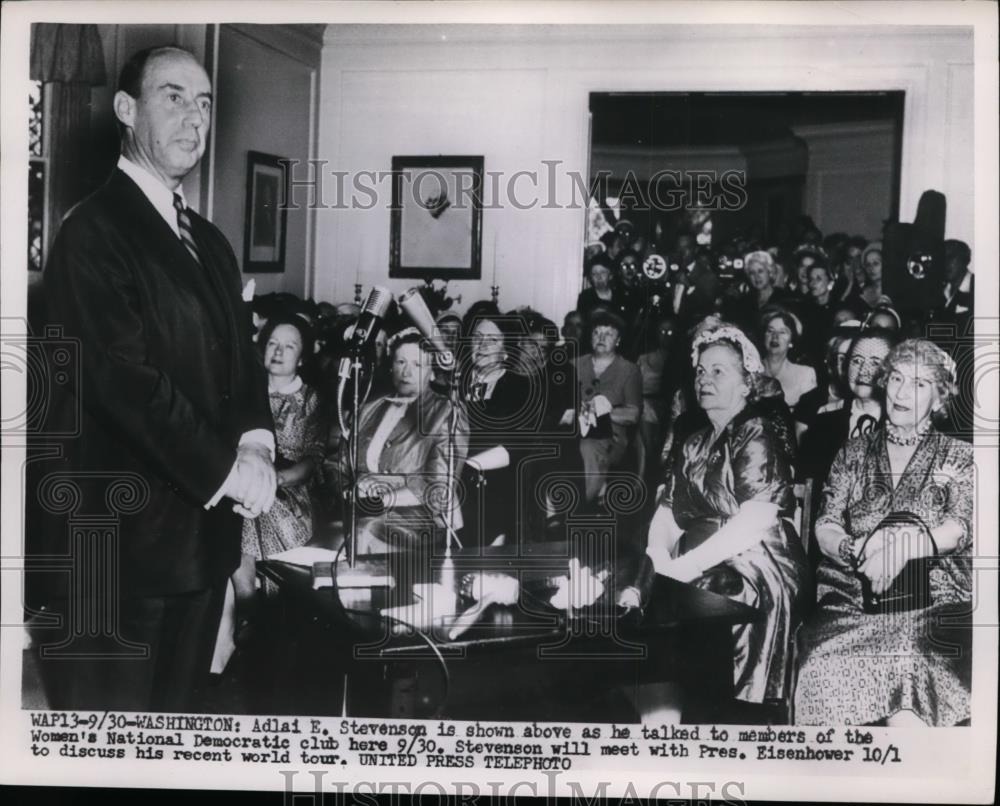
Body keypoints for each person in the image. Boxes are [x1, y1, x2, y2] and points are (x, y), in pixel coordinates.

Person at [33, 46, 275, 712]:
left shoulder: (209, 241)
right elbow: (126, 386)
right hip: (117, 562)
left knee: (171, 745)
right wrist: (231, 471)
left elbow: (242, 362)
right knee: (106, 759)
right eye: (173, 96)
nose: (194, 118)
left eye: (203, 103)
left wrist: (255, 440)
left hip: (199, 554)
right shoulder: (92, 234)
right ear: (124, 108)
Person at [621, 326, 807, 704]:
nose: (704, 378)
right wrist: (659, 554)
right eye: (700, 371)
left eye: (718, 371)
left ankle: (714, 709)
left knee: (698, 601)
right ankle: (663, 713)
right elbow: (670, 511)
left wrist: (683, 568)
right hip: (700, 558)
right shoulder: (693, 441)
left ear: (746, 384)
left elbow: (754, 521)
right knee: (629, 584)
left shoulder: (756, 431)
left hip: (757, 561)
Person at [795, 339, 973, 726]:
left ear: (940, 398)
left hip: (935, 601)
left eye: (919, 384)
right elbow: (825, 524)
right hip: (852, 598)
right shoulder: (854, 452)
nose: (902, 392)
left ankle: (910, 778)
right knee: (816, 660)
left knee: (905, 658)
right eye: (895, 378)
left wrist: (904, 546)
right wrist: (854, 549)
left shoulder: (960, 455)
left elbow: (959, 528)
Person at [342, 329, 469, 552]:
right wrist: (350, 489)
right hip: (360, 507)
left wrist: (382, 498)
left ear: (432, 373)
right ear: (391, 366)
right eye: (400, 362)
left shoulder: (446, 410)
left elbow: (439, 484)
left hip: (419, 516)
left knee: (364, 532)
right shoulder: (371, 406)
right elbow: (340, 463)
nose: (406, 372)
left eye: (417, 365)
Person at [233, 316, 325, 604]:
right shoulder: (245, 392)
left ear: (301, 357)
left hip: (289, 494)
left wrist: (276, 480)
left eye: (289, 346)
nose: (278, 351)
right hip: (241, 485)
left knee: (246, 515)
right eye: (272, 343)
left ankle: (250, 597)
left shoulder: (310, 398)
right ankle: (244, 599)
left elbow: (313, 460)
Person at [572, 310, 643, 505]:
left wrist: (602, 411)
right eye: (596, 333)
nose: (601, 338)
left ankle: (581, 505)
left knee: (588, 446)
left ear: (618, 340)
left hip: (611, 437)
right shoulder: (575, 365)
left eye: (608, 334)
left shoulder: (629, 370)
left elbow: (633, 414)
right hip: (574, 429)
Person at [761, 310, 817, 408]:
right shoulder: (750, 370)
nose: (775, 336)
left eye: (782, 332)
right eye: (770, 330)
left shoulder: (805, 374)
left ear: (791, 341)